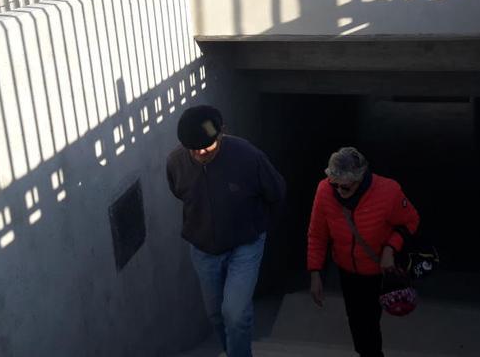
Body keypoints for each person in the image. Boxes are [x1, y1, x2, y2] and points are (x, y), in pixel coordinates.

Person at [167, 105, 286, 357]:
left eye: (206, 147)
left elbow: (276, 192)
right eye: (193, 149)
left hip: (245, 245)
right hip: (203, 249)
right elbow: (179, 192)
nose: (200, 153)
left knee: (235, 313)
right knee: (215, 314)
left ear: (221, 133)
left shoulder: (248, 157)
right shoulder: (176, 162)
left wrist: (260, 229)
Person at [307, 147, 420, 357]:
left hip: (378, 270)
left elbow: (411, 221)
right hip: (347, 269)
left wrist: (390, 248)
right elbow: (317, 234)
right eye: (336, 185)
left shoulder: (388, 191)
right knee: (357, 321)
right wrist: (315, 272)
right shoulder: (324, 191)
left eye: (346, 187)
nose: (339, 191)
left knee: (369, 322)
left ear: (360, 180)